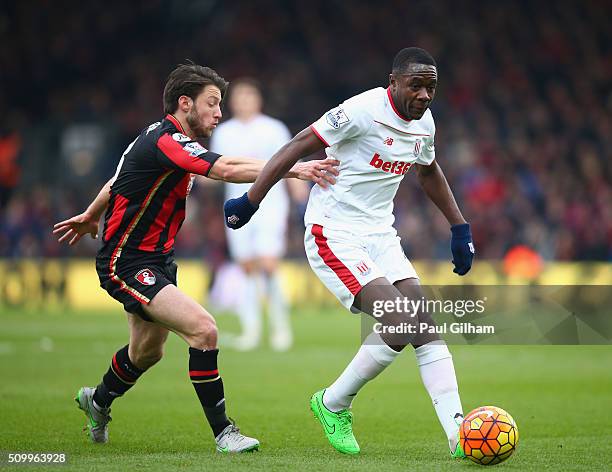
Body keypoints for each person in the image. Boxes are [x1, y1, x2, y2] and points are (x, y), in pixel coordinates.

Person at [53, 63, 339, 453]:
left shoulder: (161, 139)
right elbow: (225, 168)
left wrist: (90, 214)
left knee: (146, 352)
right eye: (212, 103)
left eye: (220, 104)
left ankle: (97, 401)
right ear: (185, 103)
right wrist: (293, 167)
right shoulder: (167, 140)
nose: (218, 112)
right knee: (204, 330)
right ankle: (225, 432)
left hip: (157, 260)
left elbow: (116, 180)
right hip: (126, 261)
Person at [224, 48, 474, 458]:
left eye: (432, 86)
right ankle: (334, 402)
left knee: (423, 323)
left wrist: (459, 226)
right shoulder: (361, 110)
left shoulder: (424, 123)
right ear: (393, 81)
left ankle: (457, 433)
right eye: (417, 85)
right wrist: (251, 199)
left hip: (381, 235)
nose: (426, 94)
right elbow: (300, 144)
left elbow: (428, 171)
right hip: (334, 232)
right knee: (399, 320)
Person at [210, 78, 306, 351]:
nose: (244, 102)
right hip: (235, 206)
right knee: (247, 268)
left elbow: (290, 162)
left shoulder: (273, 129)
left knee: (268, 264)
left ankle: (280, 328)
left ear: (258, 100)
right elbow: (215, 168)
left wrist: (301, 195)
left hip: (270, 205)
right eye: (239, 97)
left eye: (249, 96)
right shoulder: (224, 132)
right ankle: (251, 331)